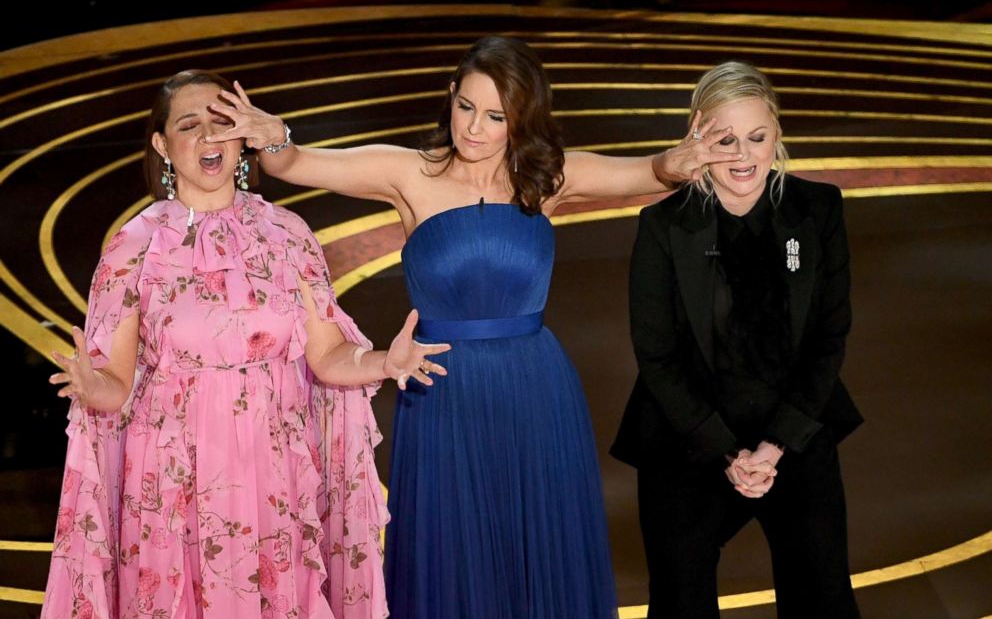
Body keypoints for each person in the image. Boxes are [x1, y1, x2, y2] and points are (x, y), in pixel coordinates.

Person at [207, 36, 737, 619]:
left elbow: (649, 172)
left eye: (496, 116)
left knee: (539, 547)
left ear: (521, 120)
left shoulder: (547, 179)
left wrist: (678, 162)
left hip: (536, 391)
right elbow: (297, 163)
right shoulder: (408, 173)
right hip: (441, 389)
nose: (475, 129)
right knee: (453, 555)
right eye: (466, 107)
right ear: (450, 97)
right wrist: (273, 135)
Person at [41, 70, 449, 619]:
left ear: (242, 138)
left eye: (222, 123)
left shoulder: (286, 232)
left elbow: (327, 356)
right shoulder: (134, 245)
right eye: (189, 126)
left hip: (273, 474)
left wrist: (386, 360)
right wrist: (94, 385)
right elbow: (116, 387)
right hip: (173, 481)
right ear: (163, 145)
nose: (209, 138)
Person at [611, 61, 863, 618]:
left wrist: (774, 447)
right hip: (687, 435)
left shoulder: (818, 210)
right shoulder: (663, 225)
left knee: (823, 593)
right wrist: (729, 452)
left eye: (757, 137)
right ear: (697, 135)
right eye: (726, 139)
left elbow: (829, 336)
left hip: (794, 428)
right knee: (680, 599)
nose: (744, 155)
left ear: (777, 133)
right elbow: (657, 354)